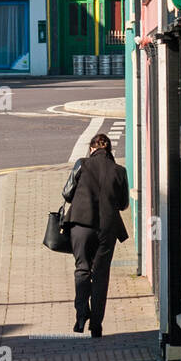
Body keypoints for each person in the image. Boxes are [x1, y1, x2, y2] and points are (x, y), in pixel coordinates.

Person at [65, 132, 129, 337]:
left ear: (92, 149)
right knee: (101, 275)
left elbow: (66, 193)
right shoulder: (120, 171)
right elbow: (124, 204)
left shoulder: (81, 164)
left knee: (82, 269)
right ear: (109, 150)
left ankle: (82, 314)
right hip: (107, 228)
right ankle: (96, 325)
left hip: (81, 225)